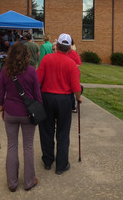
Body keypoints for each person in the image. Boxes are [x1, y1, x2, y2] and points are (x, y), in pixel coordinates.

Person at [0, 43, 42, 192]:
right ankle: (29, 182)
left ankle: (12, 183)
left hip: (10, 112)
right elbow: (37, 95)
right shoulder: (31, 71)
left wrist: (1, 107)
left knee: (12, 146)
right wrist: (38, 109)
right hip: (28, 114)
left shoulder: (5, 71)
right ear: (27, 55)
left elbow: (0, 95)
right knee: (28, 147)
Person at [37, 33, 82, 175]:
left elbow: (38, 80)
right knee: (63, 132)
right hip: (64, 100)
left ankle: (48, 161)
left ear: (56, 46)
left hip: (47, 98)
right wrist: (78, 97)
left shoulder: (46, 59)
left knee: (46, 130)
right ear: (69, 48)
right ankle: (61, 165)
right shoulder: (71, 64)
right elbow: (76, 87)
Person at [67, 37, 82, 113]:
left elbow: (79, 63)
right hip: (65, 75)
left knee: (71, 90)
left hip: (73, 74)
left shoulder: (73, 53)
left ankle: (72, 107)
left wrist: (71, 67)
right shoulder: (61, 53)